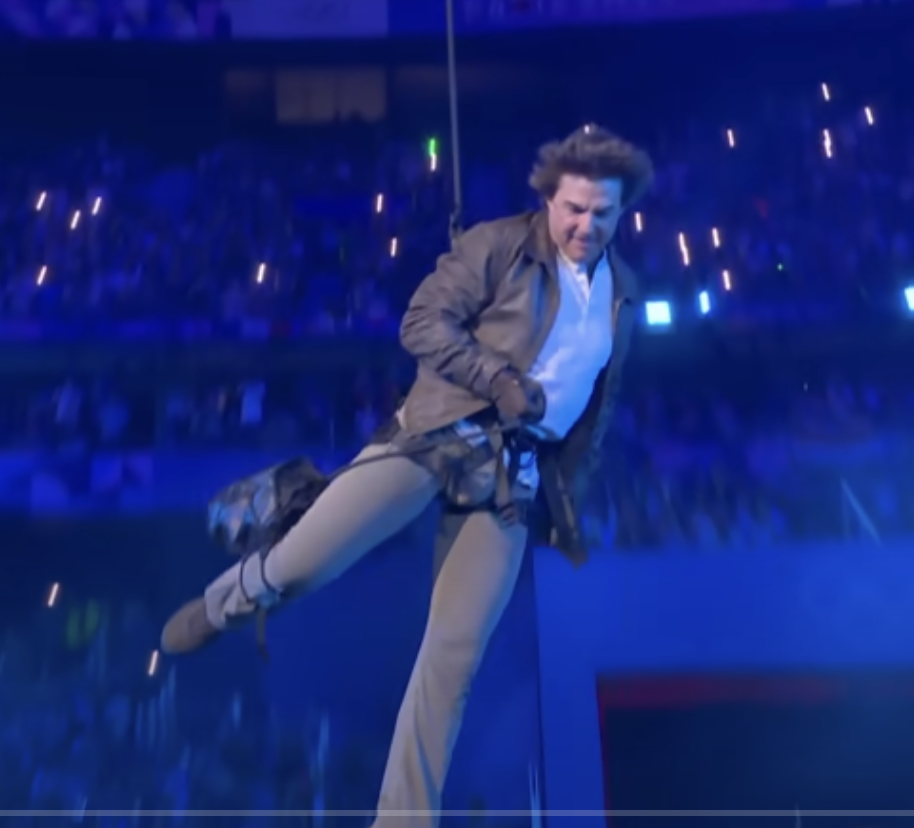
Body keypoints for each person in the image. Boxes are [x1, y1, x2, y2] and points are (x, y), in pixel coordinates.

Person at [160, 125, 654, 827]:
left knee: (454, 659)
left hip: (512, 479)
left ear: (620, 212)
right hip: (434, 435)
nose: (586, 224)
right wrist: (498, 378)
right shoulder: (496, 245)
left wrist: (566, 494)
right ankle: (227, 601)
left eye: (602, 212)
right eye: (574, 208)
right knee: (303, 563)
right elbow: (421, 323)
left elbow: (593, 411)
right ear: (548, 198)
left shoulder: (621, 292)